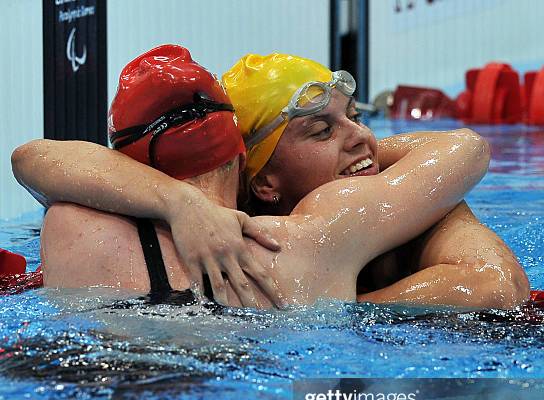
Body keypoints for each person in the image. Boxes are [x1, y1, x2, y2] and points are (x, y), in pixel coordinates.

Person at [12, 46, 527, 308]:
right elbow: (497, 283)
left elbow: (36, 159)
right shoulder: (326, 236)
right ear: (255, 175)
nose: (360, 138)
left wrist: (177, 203)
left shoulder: (69, 227)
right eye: (320, 130)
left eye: (358, 118)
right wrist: (340, 310)